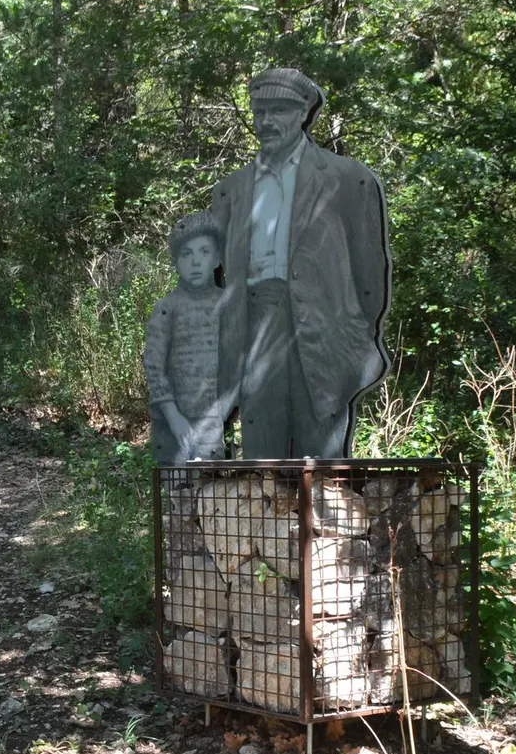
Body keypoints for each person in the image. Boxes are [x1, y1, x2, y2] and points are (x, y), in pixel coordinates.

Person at [209, 68, 392, 459]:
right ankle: (266, 517)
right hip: (255, 327)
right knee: (263, 450)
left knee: (322, 443)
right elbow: (219, 278)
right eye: (259, 111)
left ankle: (325, 518)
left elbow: (369, 273)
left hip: (324, 324)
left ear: (302, 114)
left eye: (278, 111)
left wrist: (353, 328)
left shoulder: (347, 179)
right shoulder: (230, 191)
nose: (267, 121)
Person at [143, 211, 235, 465]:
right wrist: (173, 415)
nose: (195, 262)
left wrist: (226, 409)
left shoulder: (228, 305)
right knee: (179, 493)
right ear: (176, 261)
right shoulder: (167, 307)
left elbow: (241, 359)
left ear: (217, 258)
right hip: (173, 421)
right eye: (187, 254)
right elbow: (153, 365)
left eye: (204, 252)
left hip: (213, 420)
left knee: (214, 495)